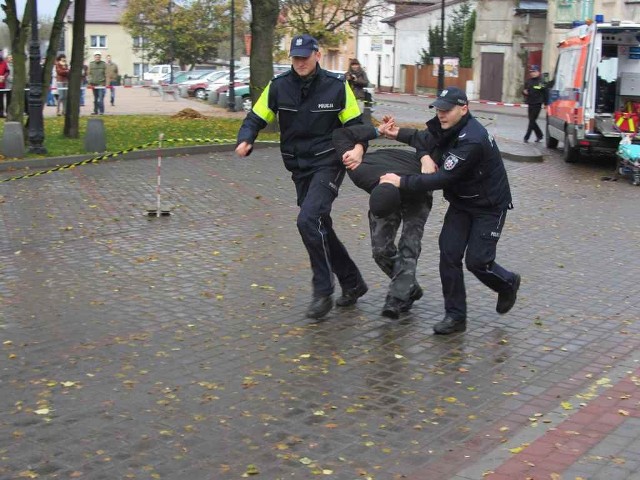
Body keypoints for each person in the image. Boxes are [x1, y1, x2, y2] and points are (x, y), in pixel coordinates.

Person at [235, 33, 368, 320]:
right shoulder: (279, 86)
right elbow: (255, 117)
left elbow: (358, 126)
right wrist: (246, 138)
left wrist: (358, 148)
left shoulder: (336, 87)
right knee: (319, 225)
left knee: (308, 220)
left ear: (317, 55)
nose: (299, 63)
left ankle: (322, 291)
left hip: (329, 162)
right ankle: (353, 282)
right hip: (299, 166)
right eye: (295, 58)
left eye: (305, 58)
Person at [378, 87, 521, 335]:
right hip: (462, 203)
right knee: (449, 254)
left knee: (478, 261)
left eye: (447, 109)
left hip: (489, 206)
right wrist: (397, 133)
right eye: (439, 109)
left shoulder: (472, 139)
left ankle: (507, 283)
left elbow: (441, 178)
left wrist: (400, 181)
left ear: (463, 109)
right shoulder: (445, 125)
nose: (441, 114)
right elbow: (424, 140)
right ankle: (455, 317)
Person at [333, 124, 433, 318]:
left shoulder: (419, 176)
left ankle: (397, 299)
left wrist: (425, 156)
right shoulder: (359, 171)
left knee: (409, 247)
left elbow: (429, 139)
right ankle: (410, 287)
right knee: (380, 251)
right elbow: (340, 133)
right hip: (385, 188)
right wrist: (368, 140)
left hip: (416, 188)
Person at [522, 65, 546, 143]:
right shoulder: (528, 81)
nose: (532, 73)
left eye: (534, 71)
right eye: (531, 72)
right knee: (532, 120)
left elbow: (545, 92)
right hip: (530, 103)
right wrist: (524, 92)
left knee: (532, 121)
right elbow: (525, 91)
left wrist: (545, 103)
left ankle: (526, 137)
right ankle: (540, 135)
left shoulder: (541, 81)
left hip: (538, 103)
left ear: (538, 72)